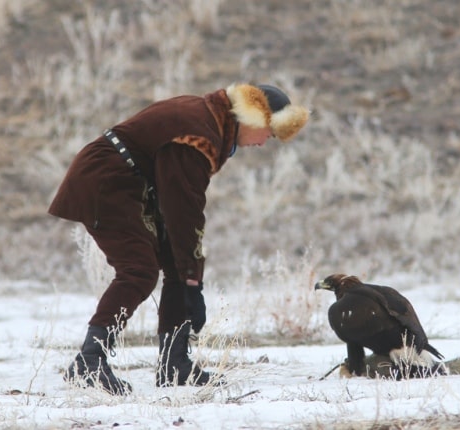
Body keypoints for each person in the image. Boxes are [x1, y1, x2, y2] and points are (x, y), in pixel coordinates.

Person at [48, 83, 309, 394]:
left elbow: (181, 215)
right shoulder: (198, 136)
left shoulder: (208, 119)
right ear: (252, 118)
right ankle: (89, 361)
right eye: (270, 132)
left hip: (128, 180)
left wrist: (188, 278)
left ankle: (175, 364)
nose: (266, 142)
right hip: (107, 180)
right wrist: (192, 283)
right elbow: (184, 213)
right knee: (139, 271)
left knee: (176, 265)